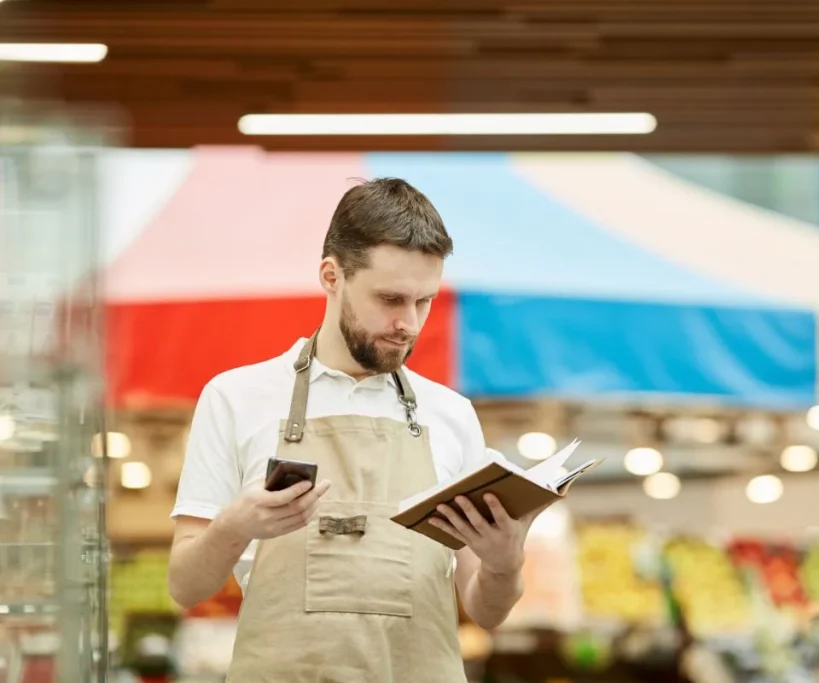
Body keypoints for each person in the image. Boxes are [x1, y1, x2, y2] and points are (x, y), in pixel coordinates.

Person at [167, 178, 545, 682]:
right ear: (332, 275)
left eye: (424, 301)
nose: (408, 323)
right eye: (390, 299)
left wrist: (504, 564)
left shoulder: (451, 413)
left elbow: (487, 611)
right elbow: (185, 587)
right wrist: (235, 526)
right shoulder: (236, 397)